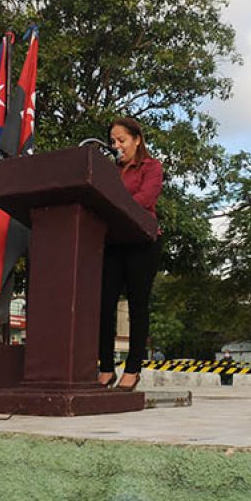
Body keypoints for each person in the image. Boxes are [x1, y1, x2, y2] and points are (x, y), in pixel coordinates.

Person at [98, 117, 163, 392]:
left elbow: (144, 200)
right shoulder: (109, 170)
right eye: (113, 141)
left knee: (137, 305)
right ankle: (105, 367)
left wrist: (113, 208)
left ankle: (133, 368)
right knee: (104, 304)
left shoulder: (152, 167)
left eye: (122, 140)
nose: (117, 146)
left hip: (142, 241)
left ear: (137, 139)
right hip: (113, 241)